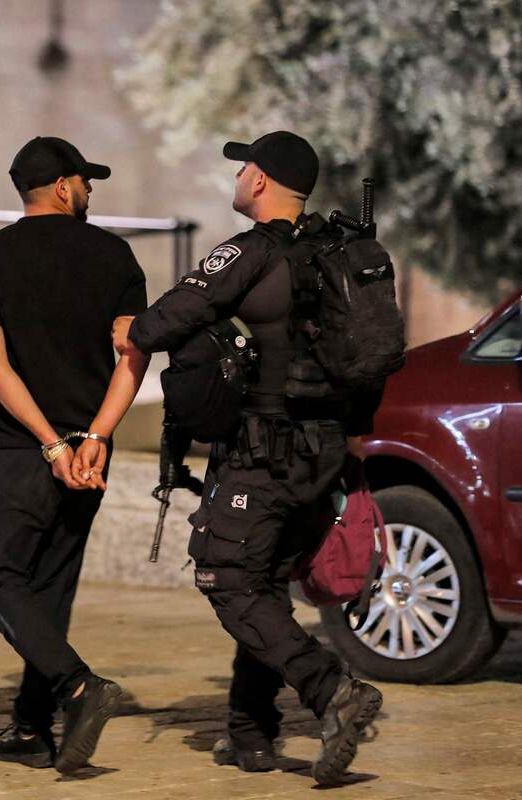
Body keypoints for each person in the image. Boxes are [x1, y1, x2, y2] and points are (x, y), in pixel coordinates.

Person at [115, 131, 383, 786]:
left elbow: (162, 323)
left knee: (226, 574)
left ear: (259, 181)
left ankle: (332, 690)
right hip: (323, 453)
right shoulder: (346, 254)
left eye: (242, 170)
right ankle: (250, 732)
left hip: (263, 453)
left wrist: (130, 328)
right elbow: (377, 357)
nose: (236, 180)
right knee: (262, 584)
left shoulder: (251, 252)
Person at [0, 136, 150, 775]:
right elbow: (132, 359)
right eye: (86, 183)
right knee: (50, 587)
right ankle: (32, 729)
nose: (90, 193)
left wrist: (50, 442)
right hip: (91, 451)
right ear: (64, 188)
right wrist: (92, 437)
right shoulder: (116, 256)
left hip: (20, 449)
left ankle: (76, 687)